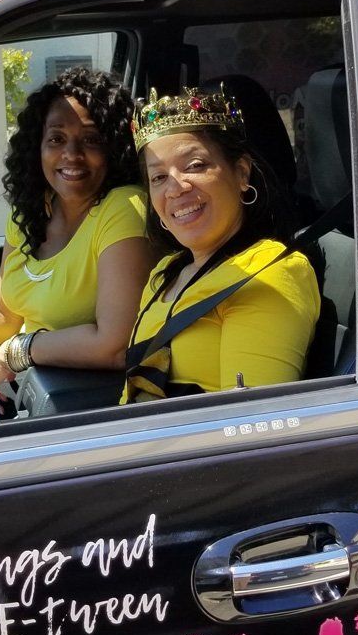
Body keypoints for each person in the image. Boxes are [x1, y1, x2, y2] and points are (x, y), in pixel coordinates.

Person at [0, 68, 152, 394]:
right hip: (31, 383)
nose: (71, 154)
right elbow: (2, 313)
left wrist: (16, 351)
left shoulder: (124, 207)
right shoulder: (31, 211)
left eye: (91, 140)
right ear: (37, 147)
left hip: (81, 399)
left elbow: (114, 346)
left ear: (115, 148)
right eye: (56, 139)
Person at [123, 87, 320, 402]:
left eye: (195, 166)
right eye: (158, 178)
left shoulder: (266, 274)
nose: (175, 189)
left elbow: (252, 426)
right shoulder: (164, 274)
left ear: (241, 172)